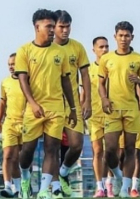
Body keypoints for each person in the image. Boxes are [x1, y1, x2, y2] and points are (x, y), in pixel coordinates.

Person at [16, 9, 78, 199]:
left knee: (52, 149)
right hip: (33, 109)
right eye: (48, 26)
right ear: (37, 27)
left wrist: (73, 108)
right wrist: (33, 104)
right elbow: (23, 80)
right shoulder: (25, 50)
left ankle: (44, 190)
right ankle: (25, 178)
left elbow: (66, 80)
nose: (52, 30)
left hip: (56, 108)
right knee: (27, 150)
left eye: (53, 26)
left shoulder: (60, 52)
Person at [99, 21, 140, 198]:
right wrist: (104, 99)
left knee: (130, 150)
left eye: (127, 36)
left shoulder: (139, 59)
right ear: (115, 37)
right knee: (110, 150)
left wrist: (139, 81)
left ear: (132, 37)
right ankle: (118, 175)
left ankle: (126, 187)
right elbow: (101, 84)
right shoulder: (106, 59)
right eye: (120, 35)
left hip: (131, 110)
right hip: (113, 109)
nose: (123, 39)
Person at [53, 10, 92, 197]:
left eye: (67, 26)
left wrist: (87, 101)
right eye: (61, 26)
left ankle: (63, 173)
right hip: (51, 103)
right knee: (51, 147)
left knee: (76, 144)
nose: (65, 30)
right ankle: (53, 187)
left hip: (73, 104)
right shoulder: (46, 48)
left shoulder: (77, 48)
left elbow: (85, 75)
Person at [0, 53, 26, 198]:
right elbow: (2, 102)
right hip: (10, 123)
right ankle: (7, 185)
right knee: (7, 155)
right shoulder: (5, 82)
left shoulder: (29, 81)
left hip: (26, 124)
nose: (11, 67)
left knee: (17, 159)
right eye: (9, 64)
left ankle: (19, 188)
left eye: (14, 63)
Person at [88, 36, 110, 198]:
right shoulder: (88, 69)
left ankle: (109, 184)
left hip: (112, 115)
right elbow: (84, 92)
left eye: (106, 47)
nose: (104, 50)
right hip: (95, 116)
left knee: (110, 151)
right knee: (97, 151)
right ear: (94, 49)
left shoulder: (113, 66)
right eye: (101, 47)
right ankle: (99, 187)